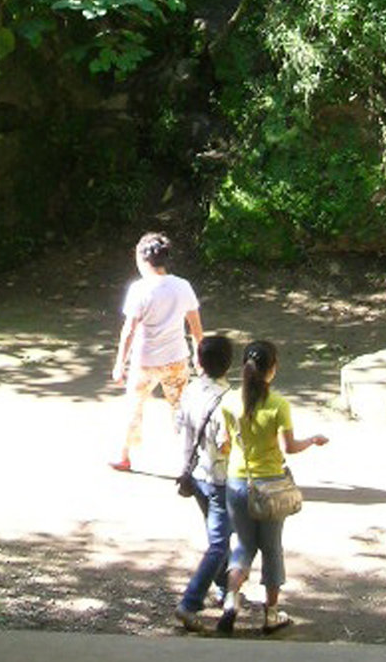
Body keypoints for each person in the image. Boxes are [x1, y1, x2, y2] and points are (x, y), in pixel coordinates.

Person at [216, 338, 327, 635]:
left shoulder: (229, 402)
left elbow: (225, 443)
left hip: (237, 481)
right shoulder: (278, 405)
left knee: (243, 544)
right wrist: (313, 440)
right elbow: (287, 447)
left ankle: (230, 600)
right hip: (270, 486)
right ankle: (272, 613)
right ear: (272, 370)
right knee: (272, 548)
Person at [108, 231, 203, 472]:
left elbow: (128, 330)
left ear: (142, 259)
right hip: (177, 359)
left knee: (134, 406)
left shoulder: (139, 289)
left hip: (145, 361)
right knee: (180, 408)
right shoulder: (183, 286)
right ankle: (189, 460)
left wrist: (120, 363)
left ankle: (123, 455)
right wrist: (199, 357)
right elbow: (195, 328)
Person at [174, 333, 233, 629]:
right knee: (221, 543)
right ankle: (190, 602)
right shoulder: (228, 398)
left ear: (199, 361)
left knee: (216, 535)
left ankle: (225, 589)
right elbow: (227, 443)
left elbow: (178, 425)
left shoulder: (190, 390)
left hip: (193, 473)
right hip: (219, 478)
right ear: (230, 364)